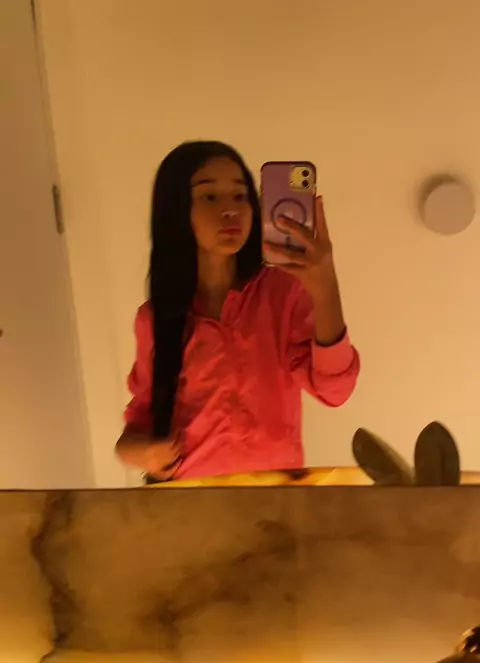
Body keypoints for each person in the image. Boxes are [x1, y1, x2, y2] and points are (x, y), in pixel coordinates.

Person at [115, 141, 360, 483]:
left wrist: (325, 288)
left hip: (276, 497)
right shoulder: (155, 319)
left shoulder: (282, 293)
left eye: (240, 196)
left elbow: (335, 391)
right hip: (191, 499)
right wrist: (146, 454)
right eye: (209, 197)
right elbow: (133, 432)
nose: (230, 210)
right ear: (176, 211)